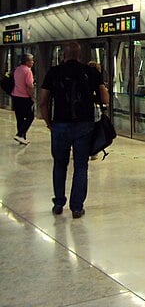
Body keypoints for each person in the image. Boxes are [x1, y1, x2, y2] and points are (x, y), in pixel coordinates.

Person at [39, 42, 109, 218]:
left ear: (64, 55)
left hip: (60, 125)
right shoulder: (91, 72)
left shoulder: (54, 72)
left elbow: (43, 101)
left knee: (59, 164)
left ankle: (58, 203)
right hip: (84, 125)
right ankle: (77, 207)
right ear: (79, 55)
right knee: (80, 166)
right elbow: (105, 97)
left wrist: (49, 123)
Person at [12, 53, 35, 145]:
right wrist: (32, 97)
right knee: (30, 116)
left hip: (16, 96)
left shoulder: (17, 69)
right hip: (25, 97)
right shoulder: (27, 71)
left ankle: (22, 138)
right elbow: (30, 86)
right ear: (27, 61)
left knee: (20, 118)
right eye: (31, 60)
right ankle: (20, 134)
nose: (33, 62)